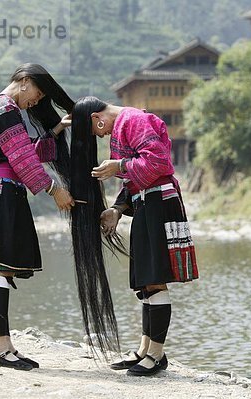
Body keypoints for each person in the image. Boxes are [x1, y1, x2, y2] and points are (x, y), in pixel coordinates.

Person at [70, 96, 199, 376]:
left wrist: (119, 166)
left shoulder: (134, 120)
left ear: (97, 118)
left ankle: (157, 354)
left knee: (154, 278)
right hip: (146, 203)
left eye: (95, 131)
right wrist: (117, 209)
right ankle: (145, 349)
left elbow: (158, 163)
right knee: (145, 281)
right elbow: (135, 179)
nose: (100, 135)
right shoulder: (123, 126)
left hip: (158, 203)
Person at [0, 63, 75, 371]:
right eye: (39, 94)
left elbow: (22, 151)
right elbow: (22, 158)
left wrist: (57, 128)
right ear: (24, 81)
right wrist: (55, 190)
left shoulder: (3, 109)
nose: (37, 101)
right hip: (0, 193)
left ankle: (4, 346)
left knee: (0, 270)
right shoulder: (4, 108)